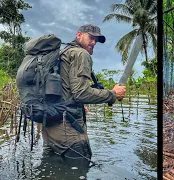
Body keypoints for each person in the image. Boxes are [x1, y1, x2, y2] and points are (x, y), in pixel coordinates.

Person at [42, 24, 126, 160]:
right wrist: (113, 94)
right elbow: (81, 93)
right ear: (79, 35)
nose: (94, 42)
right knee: (81, 166)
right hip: (67, 129)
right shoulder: (81, 54)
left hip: (49, 125)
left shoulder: (63, 53)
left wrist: (77, 105)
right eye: (91, 37)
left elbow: (64, 88)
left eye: (96, 40)